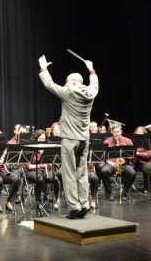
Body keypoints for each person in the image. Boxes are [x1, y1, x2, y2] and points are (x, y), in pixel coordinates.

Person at [38, 54, 99, 219]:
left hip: (70, 138)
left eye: (67, 80)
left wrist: (43, 67)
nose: (65, 83)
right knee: (82, 172)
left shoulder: (68, 91)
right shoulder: (91, 93)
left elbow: (49, 84)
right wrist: (91, 68)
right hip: (84, 139)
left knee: (69, 172)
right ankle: (85, 204)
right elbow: (94, 83)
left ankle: (74, 207)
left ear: (73, 82)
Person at [98, 124, 136, 201]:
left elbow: (133, 156)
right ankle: (109, 192)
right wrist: (109, 162)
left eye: (118, 132)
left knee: (132, 173)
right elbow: (104, 156)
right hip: (112, 164)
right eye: (115, 132)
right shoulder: (107, 141)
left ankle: (124, 193)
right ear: (112, 132)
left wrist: (130, 157)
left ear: (121, 131)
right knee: (103, 171)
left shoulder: (128, 141)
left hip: (124, 164)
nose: (116, 134)